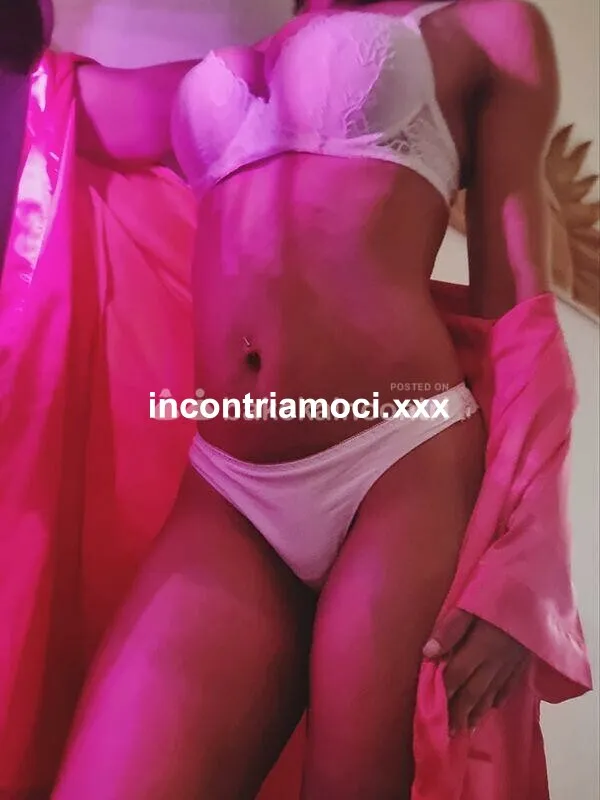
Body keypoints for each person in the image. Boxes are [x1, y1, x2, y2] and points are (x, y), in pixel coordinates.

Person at [0, 2, 591, 799]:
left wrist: (528, 556)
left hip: (400, 462)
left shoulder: (488, 24)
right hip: (227, 488)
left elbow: (516, 309)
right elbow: (72, 114)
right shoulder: (259, 44)